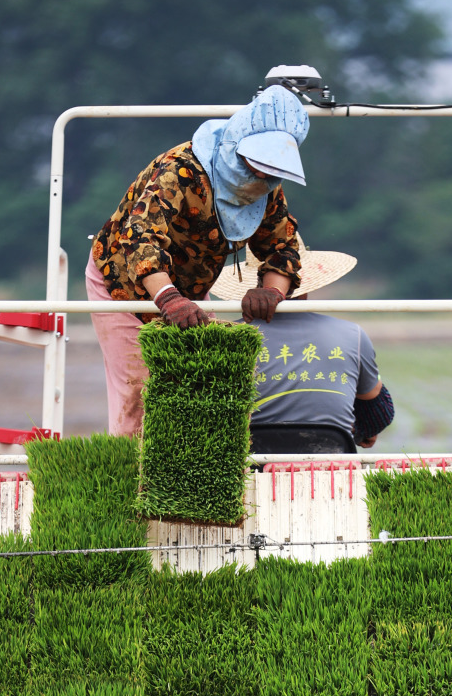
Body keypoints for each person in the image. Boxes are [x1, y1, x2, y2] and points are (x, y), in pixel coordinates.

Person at [86, 85, 309, 436]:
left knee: (198, 387)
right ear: (238, 147)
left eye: (272, 171)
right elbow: (141, 236)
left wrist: (272, 291)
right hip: (124, 284)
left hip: (188, 291)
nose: (262, 178)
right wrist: (168, 298)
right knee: (139, 390)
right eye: (258, 167)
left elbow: (283, 247)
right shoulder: (182, 170)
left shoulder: (268, 189)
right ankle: (131, 480)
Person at [210, 237, 395, 455]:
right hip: (333, 460)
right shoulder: (352, 334)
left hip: (250, 462)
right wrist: (364, 430)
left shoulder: (228, 336)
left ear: (254, 288)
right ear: (304, 285)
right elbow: (378, 409)